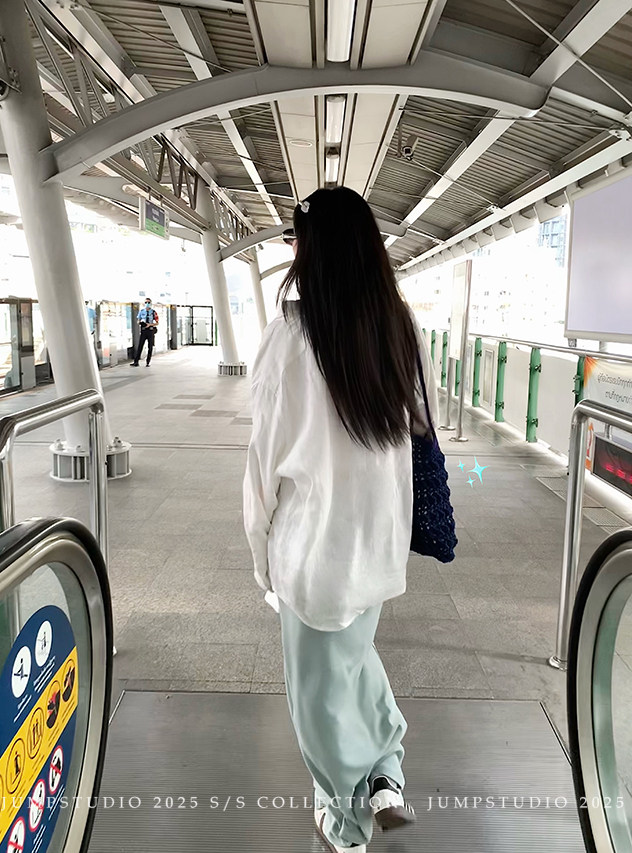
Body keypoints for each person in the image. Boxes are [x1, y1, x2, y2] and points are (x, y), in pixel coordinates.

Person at [243, 187, 439, 853]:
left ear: (310, 251)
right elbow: (423, 425)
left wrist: (261, 557)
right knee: (352, 659)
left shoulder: (288, 339)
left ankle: (346, 822)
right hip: (377, 546)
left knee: (316, 701)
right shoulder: (400, 328)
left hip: (312, 557)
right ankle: (384, 772)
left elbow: (263, 465)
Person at [131, 297, 158, 367]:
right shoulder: (141, 311)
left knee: (150, 347)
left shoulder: (153, 312)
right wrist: (141, 323)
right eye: (146, 302)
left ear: (151, 303)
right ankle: (136, 362)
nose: (147, 304)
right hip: (143, 331)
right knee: (140, 346)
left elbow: (157, 323)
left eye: (148, 302)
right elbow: (138, 320)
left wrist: (150, 324)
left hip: (150, 331)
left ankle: (148, 362)